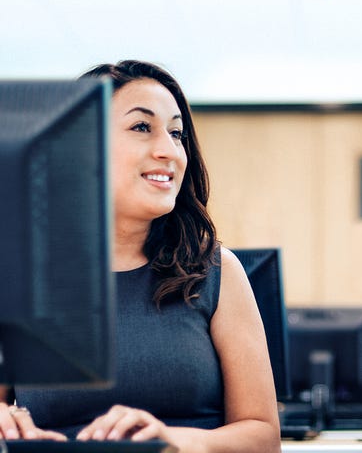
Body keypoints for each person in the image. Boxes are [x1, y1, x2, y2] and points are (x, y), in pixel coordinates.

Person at [0, 60, 281, 453]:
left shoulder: (218, 272)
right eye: (142, 127)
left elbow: (264, 438)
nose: (170, 151)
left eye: (177, 133)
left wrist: (172, 439)